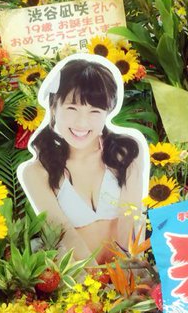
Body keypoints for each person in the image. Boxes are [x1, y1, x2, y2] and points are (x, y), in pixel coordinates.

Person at [18, 55, 149, 264]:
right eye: (72, 108)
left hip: (127, 269)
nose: (82, 122)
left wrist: (129, 271)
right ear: (54, 108)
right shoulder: (37, 172)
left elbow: (130, 218)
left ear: (106, 112)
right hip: (77, 275)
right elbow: (63, 233)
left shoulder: (126, 152)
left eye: (94, 111)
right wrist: (96, 280)